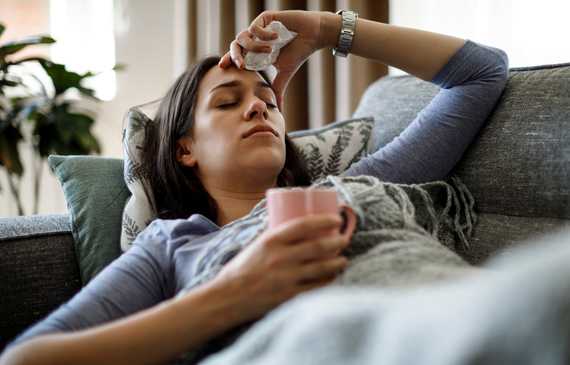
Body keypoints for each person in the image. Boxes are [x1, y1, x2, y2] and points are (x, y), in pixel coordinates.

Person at [0, 10, 508, 365]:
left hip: (455, 325)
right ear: (185, 150)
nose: (259, 106)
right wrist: (232, 293)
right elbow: (27, 357)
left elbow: (482, 74)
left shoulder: (351, 187)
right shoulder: (172, 244)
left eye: (268, 98)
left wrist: (325, 29)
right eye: (226, 102)